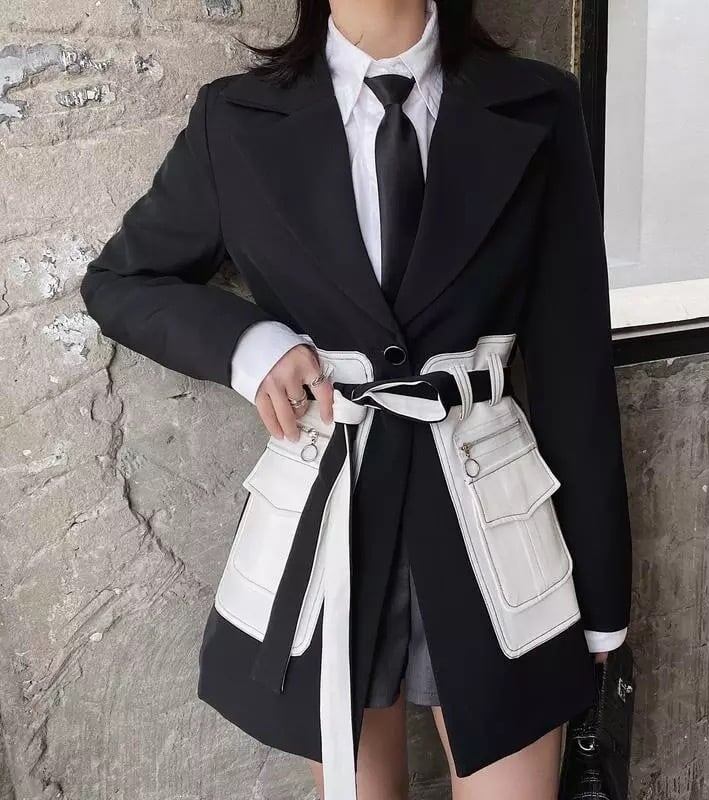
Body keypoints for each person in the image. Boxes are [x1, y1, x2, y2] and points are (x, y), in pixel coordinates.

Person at [79, 1, 633, 798]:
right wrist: (253, 346)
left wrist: (604, 600)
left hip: (493, 520)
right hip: (332, 513)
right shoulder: (235, 119)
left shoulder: (538, 105)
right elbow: (121, 281)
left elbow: (575, 363)